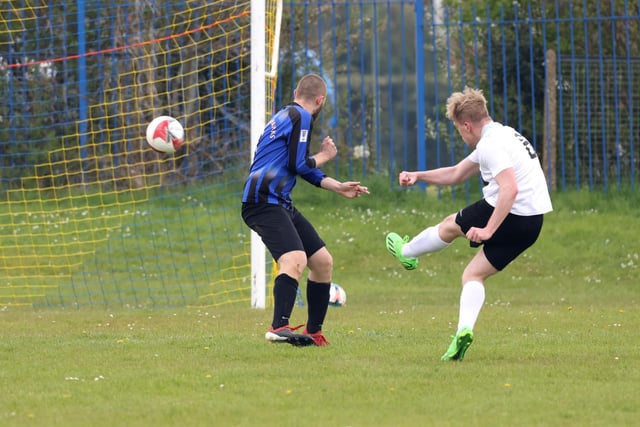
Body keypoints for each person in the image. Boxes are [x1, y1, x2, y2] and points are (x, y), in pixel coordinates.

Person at [385, 87, 552, 361]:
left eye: (459, 130)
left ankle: (406, 253)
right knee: (472, 275)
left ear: (467, 124)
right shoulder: (504, 133)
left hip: (511, 211)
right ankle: (462, 333)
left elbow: (509, 189)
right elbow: (456, 173)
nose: (461, 136)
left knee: (451, 225)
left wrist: (488, 230)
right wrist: (419, 175)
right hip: (533, 222)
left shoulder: (489, 146)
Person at [242, 73, 369, 347]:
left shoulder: (287, 115)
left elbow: (296, 166)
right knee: (295, 259)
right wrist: (324, 156)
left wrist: (338, 186)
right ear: (320, 99)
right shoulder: (302, 117)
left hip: (278, 201)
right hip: (263, 201)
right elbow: (299, 164)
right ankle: (279, 326)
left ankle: (313, 332)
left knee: (322, 262)